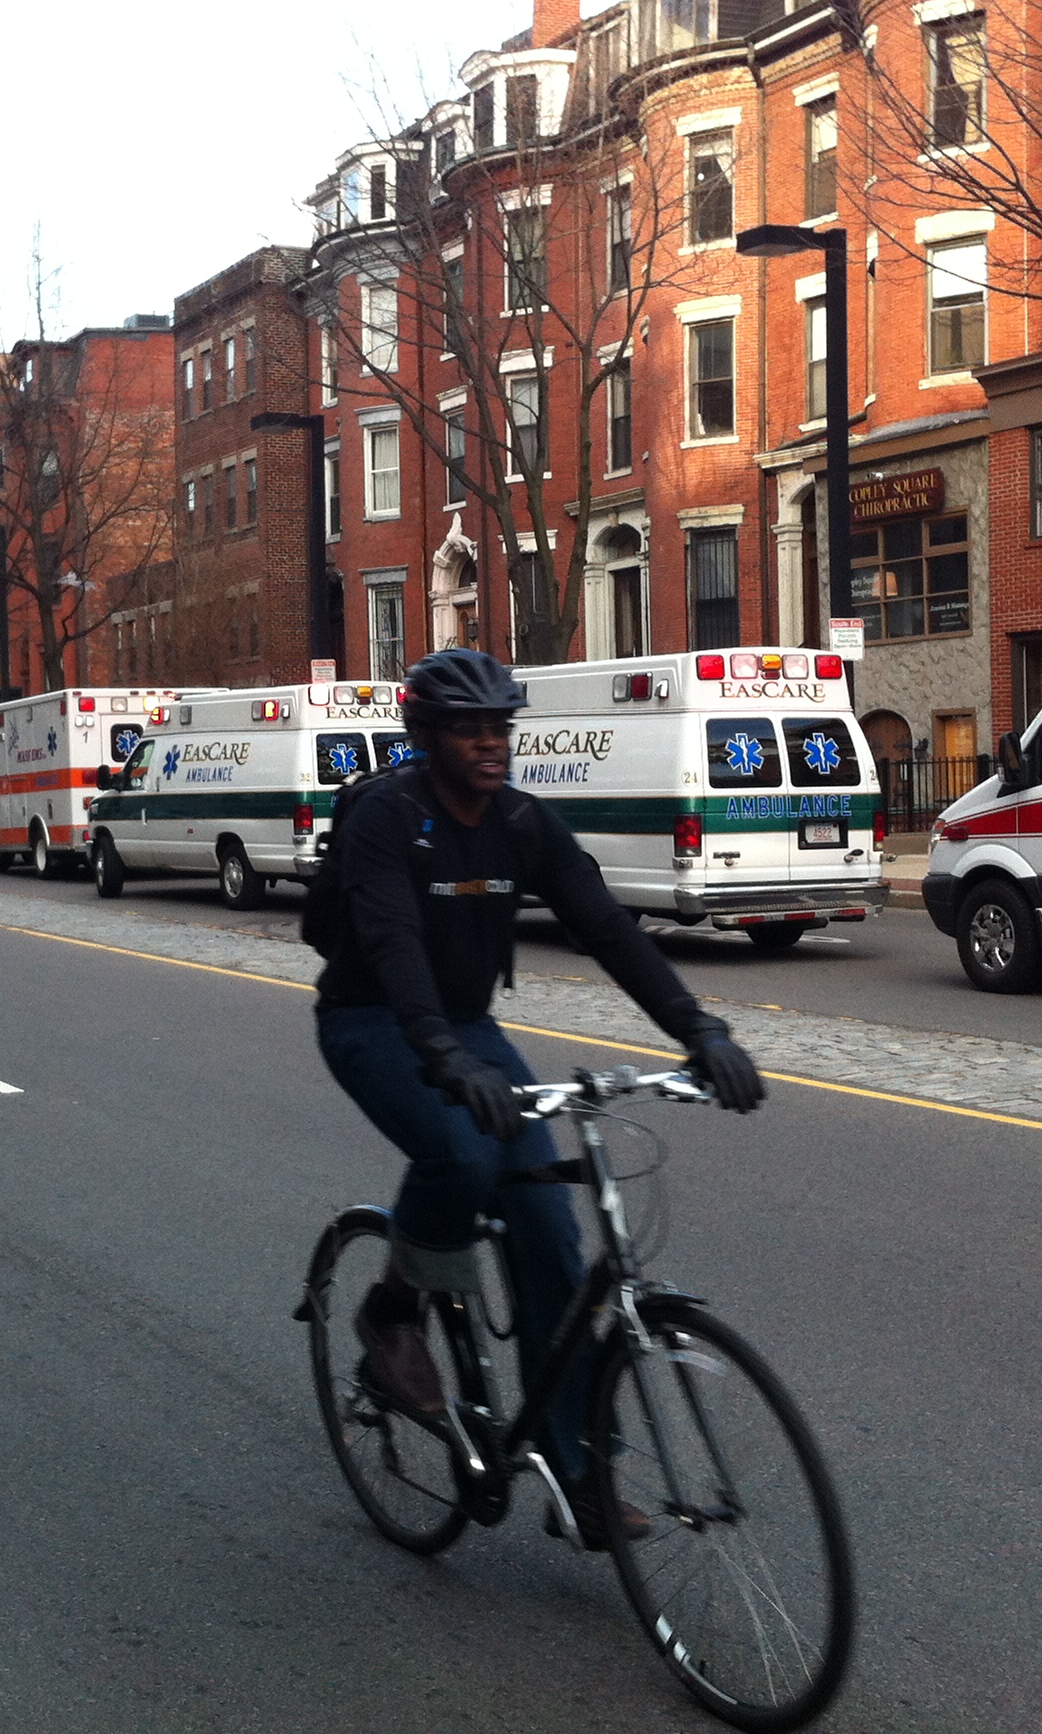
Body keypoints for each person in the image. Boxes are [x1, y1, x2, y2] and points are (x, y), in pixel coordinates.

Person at [314, 646, 767, 1548]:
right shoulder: (389, 820)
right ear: (427, 736)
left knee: (551, 1233)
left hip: (468, 1028)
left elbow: (608, 929)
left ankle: (580, 1474)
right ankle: (392, 1312)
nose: (491, 743)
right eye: (468, 730)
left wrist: (701, 1032)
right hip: (374, 1021)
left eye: (500, 727)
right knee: (462, 1152)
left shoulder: (522, 822)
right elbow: (395, 947)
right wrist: (445, 1058)